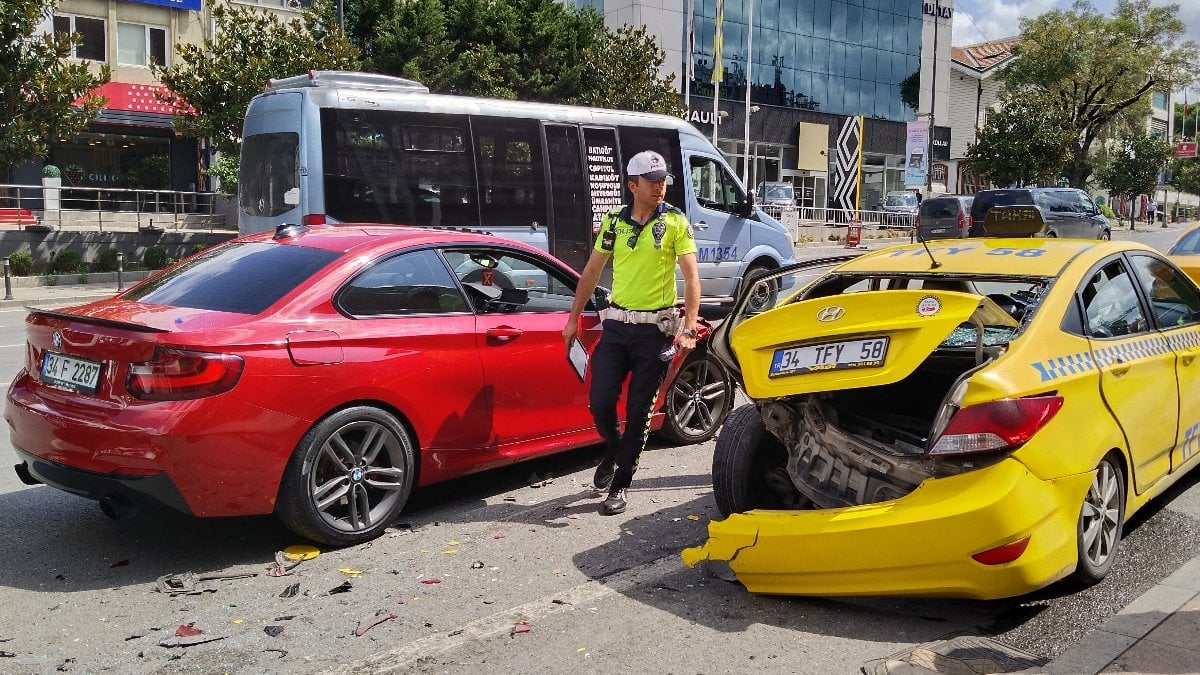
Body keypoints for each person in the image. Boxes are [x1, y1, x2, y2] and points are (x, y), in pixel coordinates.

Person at [562, 150, 700, 516]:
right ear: (632, 185)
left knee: (639, 411)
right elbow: (591, 271)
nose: (661, 186)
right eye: (652, 180)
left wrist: (688, 326)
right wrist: (573, 319)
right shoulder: (613, 221)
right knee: (601, 402)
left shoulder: (674, 221)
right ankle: (614, 447)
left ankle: (620, 484)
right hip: (617, 327)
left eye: (663, 179)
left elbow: (691, 277)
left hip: (655, 332)